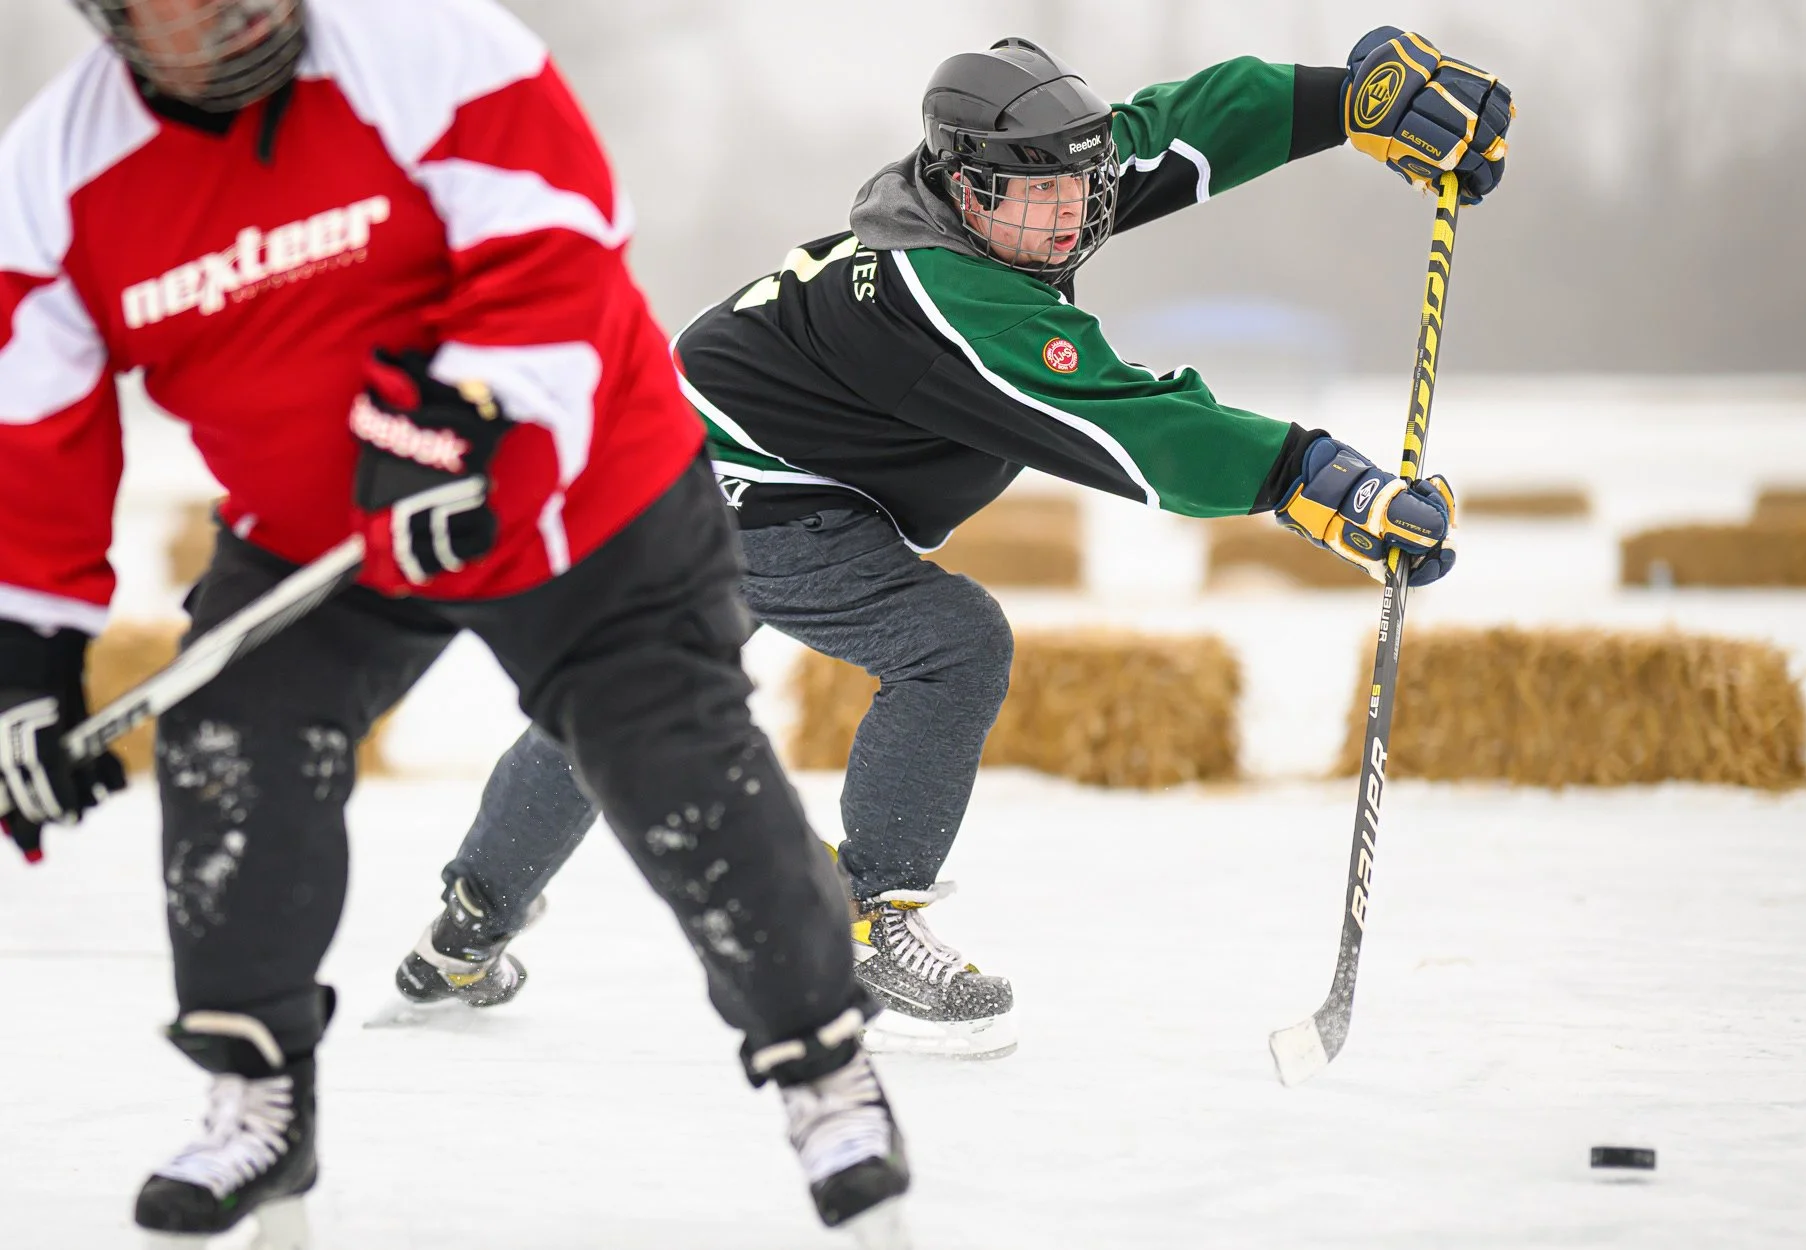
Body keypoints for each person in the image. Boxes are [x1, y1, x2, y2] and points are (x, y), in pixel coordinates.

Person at [395, 30, 1509, 1058]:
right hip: (732, 476)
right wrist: (1315, 480)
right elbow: (1125, 422)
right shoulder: (952, 294)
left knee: (624, 699)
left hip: (711, 444)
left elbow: (1182, 126)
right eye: (1037, 196)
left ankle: (463, 928)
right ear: (964, 185)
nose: (1068, 217)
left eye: (1081, 186)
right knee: (951, 642)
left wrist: (1349, 99)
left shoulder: (1026, 188)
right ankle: (870, 921)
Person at [0, 0, 912, 1243]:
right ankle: (256, 1088)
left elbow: (556, 238)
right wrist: (26, 650)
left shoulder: (432, 45)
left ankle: (822, 1065)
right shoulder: (55, 173)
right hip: (321, 531)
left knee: (670, 757)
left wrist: (469, 406)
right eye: (174, 11)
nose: (216, 28)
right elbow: (32, 419)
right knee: (232, 741)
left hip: (582, 495)